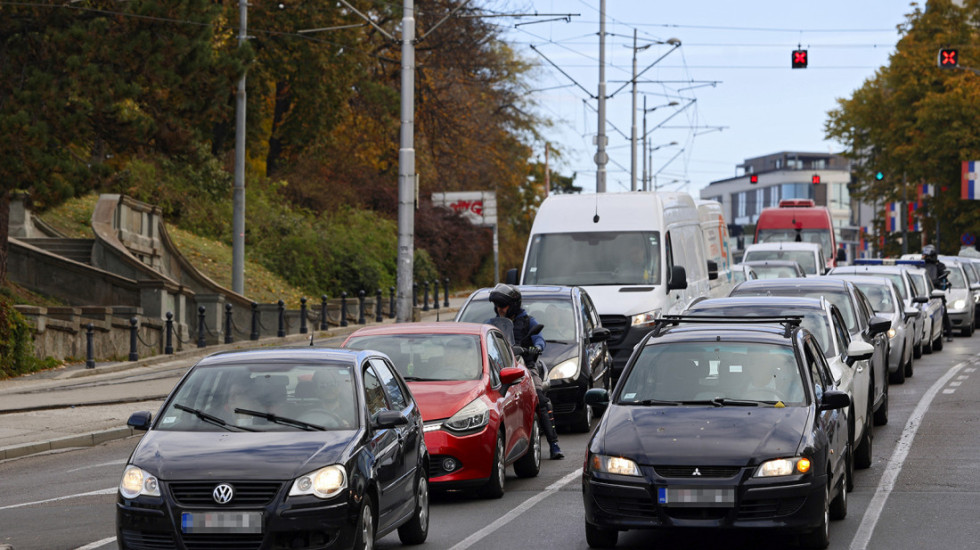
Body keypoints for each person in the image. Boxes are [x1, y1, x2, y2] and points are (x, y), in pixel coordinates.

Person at [489, 283, 564, 460]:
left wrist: (536, 348)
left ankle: (554, 444)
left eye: (503, 305)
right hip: (501, 368)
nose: (499, 309)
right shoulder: (493, 324)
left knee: (539, 396)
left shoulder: (529, 321)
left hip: (526, 366)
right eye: (497, 306)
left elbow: (540, 339)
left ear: (513, 305)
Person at [923, 244, 953, 342]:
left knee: (943, 312)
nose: (927, 258)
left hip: (936, 291)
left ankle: (949, 333)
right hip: (924, 291)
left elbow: (944, 275)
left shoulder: (939, 265)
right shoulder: (922, 265)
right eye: (925, 256)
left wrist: (939, 282)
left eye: (928, 256)